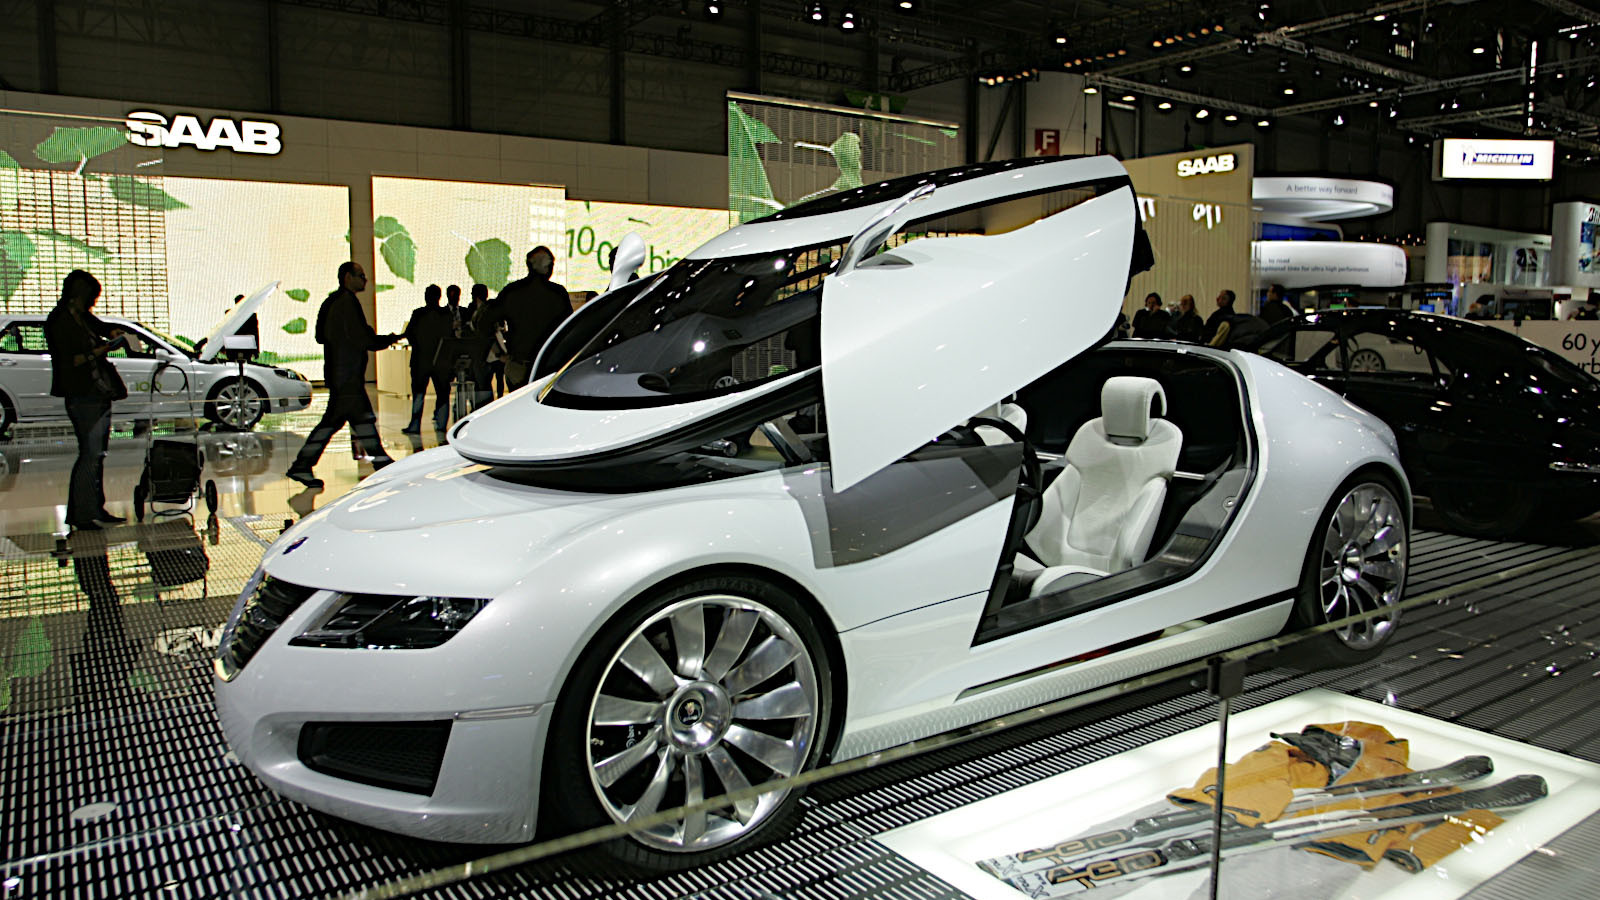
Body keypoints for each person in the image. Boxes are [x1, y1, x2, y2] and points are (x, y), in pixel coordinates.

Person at [285, 262, 400, 488]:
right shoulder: (347, 304)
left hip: (340, 375)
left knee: (355, 421)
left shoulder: (331, 302)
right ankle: (303, 465)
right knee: (342, 422)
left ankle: (382, 463)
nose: (365, 280)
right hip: (348, 377)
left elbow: (320, 336)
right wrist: (387, 339)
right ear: (348, 277)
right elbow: (363, 339)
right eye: (361, 276)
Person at [44, 270, 128, 531]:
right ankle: (82, 513)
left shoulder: (81, 317)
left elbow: (100, 327)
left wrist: (112, 332)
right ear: (78, 295)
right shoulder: (60, 321)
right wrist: (103, 349)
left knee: (97, 454)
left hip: (95, 393)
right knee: (90, 453)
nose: (92, 304)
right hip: (81, 395)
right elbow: (72, 360)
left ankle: (94, 508)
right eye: (90, 298)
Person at [477, 246, 572, 389]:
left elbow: (484, 323)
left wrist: (500, 353)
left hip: (518, 367)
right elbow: (569, 329)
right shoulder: (558, 294)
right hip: (549, 367)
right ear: (548, 267)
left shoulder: (512, 292)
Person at [401, 284, 451, 434]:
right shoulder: (446, 315)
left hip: (420, 361)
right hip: (440, 361)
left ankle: (415, 424)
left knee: (419, 393)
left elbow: (410, 334)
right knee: (443, 394)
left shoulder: (419, 314)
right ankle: (442, 424)